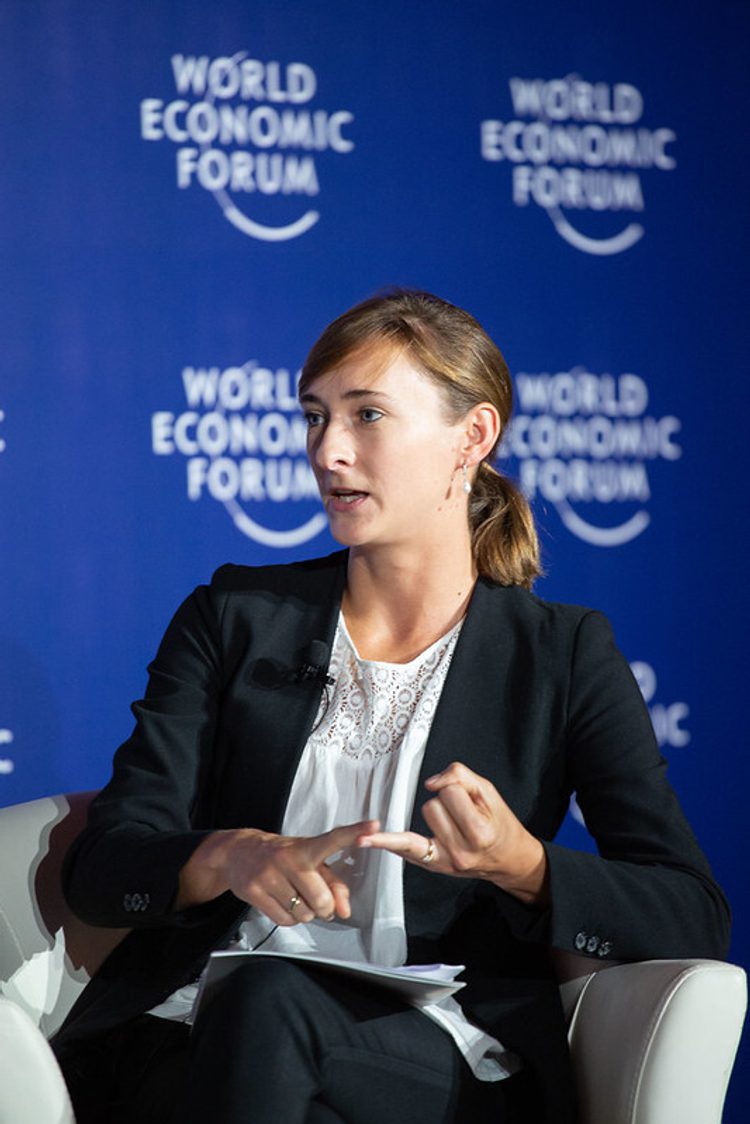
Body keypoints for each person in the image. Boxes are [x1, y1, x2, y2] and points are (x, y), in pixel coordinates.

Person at [52, 289, 730, 1123]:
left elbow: (691, 913)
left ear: (472, 438)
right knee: (250, 1021)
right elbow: (104, 868)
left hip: (438, 1052)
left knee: (269, 1003)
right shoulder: (233, 617)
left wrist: (522, 865)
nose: (328, 450)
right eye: (315, 417)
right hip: (194, 1028)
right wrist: (231, 856)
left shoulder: (562, 655)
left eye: (367, 415)